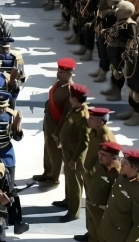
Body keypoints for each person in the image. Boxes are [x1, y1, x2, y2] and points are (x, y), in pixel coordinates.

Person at [33, 57, 76, 185]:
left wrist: (58, 132)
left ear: (69, 74)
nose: (58, 73)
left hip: (57, 125)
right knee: (48, 149)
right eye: (58, 70)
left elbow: (66, 114)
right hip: (50, 120)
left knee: (55, 152)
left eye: (62, 72)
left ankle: (53, 177)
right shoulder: (58, 83)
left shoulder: (69, 91)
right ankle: (47, 172)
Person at [96, 149, 139, 242]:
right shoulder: (123, 175)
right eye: (122, 161)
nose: (121, 164)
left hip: (120, 237)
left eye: (125, 163)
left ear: (135, 168)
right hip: (106, 230)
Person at [53, 83, 90, 222]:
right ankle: (68, 200)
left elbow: (85, 141)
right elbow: (65, 124)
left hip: (74, 153)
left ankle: (73, 211)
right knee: (68, 178)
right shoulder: (74, 110)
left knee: (74, 182)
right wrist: (59, 136)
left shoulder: (82, 115)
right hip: (67, 150)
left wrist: (75, 159)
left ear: (74, 98)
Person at [78, 142, 122, 242]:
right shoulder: (99, 165)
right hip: (91, 206)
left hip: (103, 212)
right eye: (100, 153)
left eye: (104, 155)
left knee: (102, 236)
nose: (100, 156)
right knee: (92, 232)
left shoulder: (117, 173)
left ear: (113, 158)